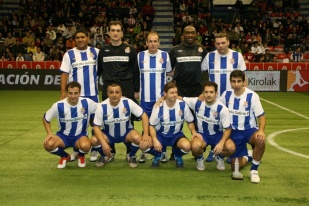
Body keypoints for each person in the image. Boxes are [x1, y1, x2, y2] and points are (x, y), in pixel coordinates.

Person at [97, 21, 140, 159]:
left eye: (118, 30)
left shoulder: (129, 49)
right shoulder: (103, 50)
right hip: (108, 86)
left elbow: (135, 71)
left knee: (128, 117)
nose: (115, 33)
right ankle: (110, 151)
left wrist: (136, 90)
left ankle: (129, 151)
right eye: (112, 30)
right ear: (108, 33)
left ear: (122, 33)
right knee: (106, 117)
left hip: (126, 86)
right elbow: (99, 70)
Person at [201, 32, 246, 162]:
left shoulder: (237, 56)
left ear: (228, 42)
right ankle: (213, 151)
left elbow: (243, 78)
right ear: (215, 44)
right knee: (212, 125)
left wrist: (243, 94)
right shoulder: (209, 57)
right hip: (213, 100)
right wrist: (203, 92)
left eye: (223, 43)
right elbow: (203, 74)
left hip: (232, 99)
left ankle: (228, 150)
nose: (220, 46)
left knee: (231, 125)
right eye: (218, 43)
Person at [59, 29, 100, 162]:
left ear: (88, 38)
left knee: (96, 123)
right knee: (76, 123)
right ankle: (77, 150)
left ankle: (95, 150)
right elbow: (64, 74)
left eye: (83, 37)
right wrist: (63, 92)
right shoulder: (69, 54)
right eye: (77, 38)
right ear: (74, 40)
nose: (80, 39)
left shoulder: (95, 52)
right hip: (75, 96)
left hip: (93, 94)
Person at [168, 25, 207, 160]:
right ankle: (176, 151)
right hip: (180, 89)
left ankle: (199, 151)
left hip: (196, 90)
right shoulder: (175, 50)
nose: (190, 35)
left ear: (196, 34)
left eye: (193, 32)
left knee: (198, 120)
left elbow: (206, 71)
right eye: (187, 33)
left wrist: (204, 90)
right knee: (176, 120)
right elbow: (168, 69)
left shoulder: (202, 50)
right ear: (182, 35)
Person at [220, 70, 266, 183]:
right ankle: (248, 156)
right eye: (233, 81)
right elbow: (217, 108)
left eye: (239, 81)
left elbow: (262, 116)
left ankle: (254, 171)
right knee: (234, 166)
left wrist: (261, 131)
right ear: (230, 82)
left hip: (249, 130)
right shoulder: (226, 95)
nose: (236, 84)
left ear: (243, 82)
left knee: (260, 140)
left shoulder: (252, 96)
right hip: (233, 132)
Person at [92, 83, 151, 168]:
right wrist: (103, 143)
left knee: (138, 139)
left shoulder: (128, 102)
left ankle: (131, 155)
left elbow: (144, 116)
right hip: (108, 134)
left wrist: (145, 133)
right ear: (107, 93)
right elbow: (96, 126)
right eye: (111, 92)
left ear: (121, 93)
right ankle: (105, 155)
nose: (114, 95)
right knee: (94, 140)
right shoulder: (101, 106)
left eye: (117, 92)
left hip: (126, 133)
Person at [42, 81, 97, 169]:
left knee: (86, 146)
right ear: (67, 93)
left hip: (80, 136)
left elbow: (102, 108)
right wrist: (49, 133)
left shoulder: (87, 102)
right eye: (70, 93)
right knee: (48, 144)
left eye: (76, 93)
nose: (73, 96)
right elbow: (45, 118)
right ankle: (64, 156)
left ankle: (81, 155)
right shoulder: (58, 105)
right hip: (63, 136)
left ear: (79, 93)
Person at [137, 31, 172, 163]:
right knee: (145, 126)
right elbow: (136, 75)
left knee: (161, 125)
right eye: (150, 41)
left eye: (155, 41)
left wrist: (167, 95)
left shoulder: (165, 55)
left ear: (159, 42)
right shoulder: (140, 56)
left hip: (161, 99)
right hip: (145, 98)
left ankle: (162, 151)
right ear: (146, 43)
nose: (152, 44)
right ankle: (145, 151)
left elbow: (168, 74)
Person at [182, 82, 235, 171]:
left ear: (216, 94)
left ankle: (220, 157)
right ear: (203, 93)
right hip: (202, 135)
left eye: (211, 92)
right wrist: (163, 98)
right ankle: (200, 158)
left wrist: (221, 143)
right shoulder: (196, 102)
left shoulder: (222, 108)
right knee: (195, 146)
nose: (208, 95)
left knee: (231, 148)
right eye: (206, 92)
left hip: (217, 135)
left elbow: (228, 129)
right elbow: (179, 98)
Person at [147, 82, 197, 168]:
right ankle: (158, 155)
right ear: (165, 94)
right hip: (161, 135)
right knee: (143, 145)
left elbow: (190, 121)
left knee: (187, 147)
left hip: (176, 135)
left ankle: (177, 155)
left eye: (176, 92)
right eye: (171, 93)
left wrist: (193, 132)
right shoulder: (158, 106)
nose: (174, 95)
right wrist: (155, 140)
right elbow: (151, 125)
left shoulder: (182, 105)